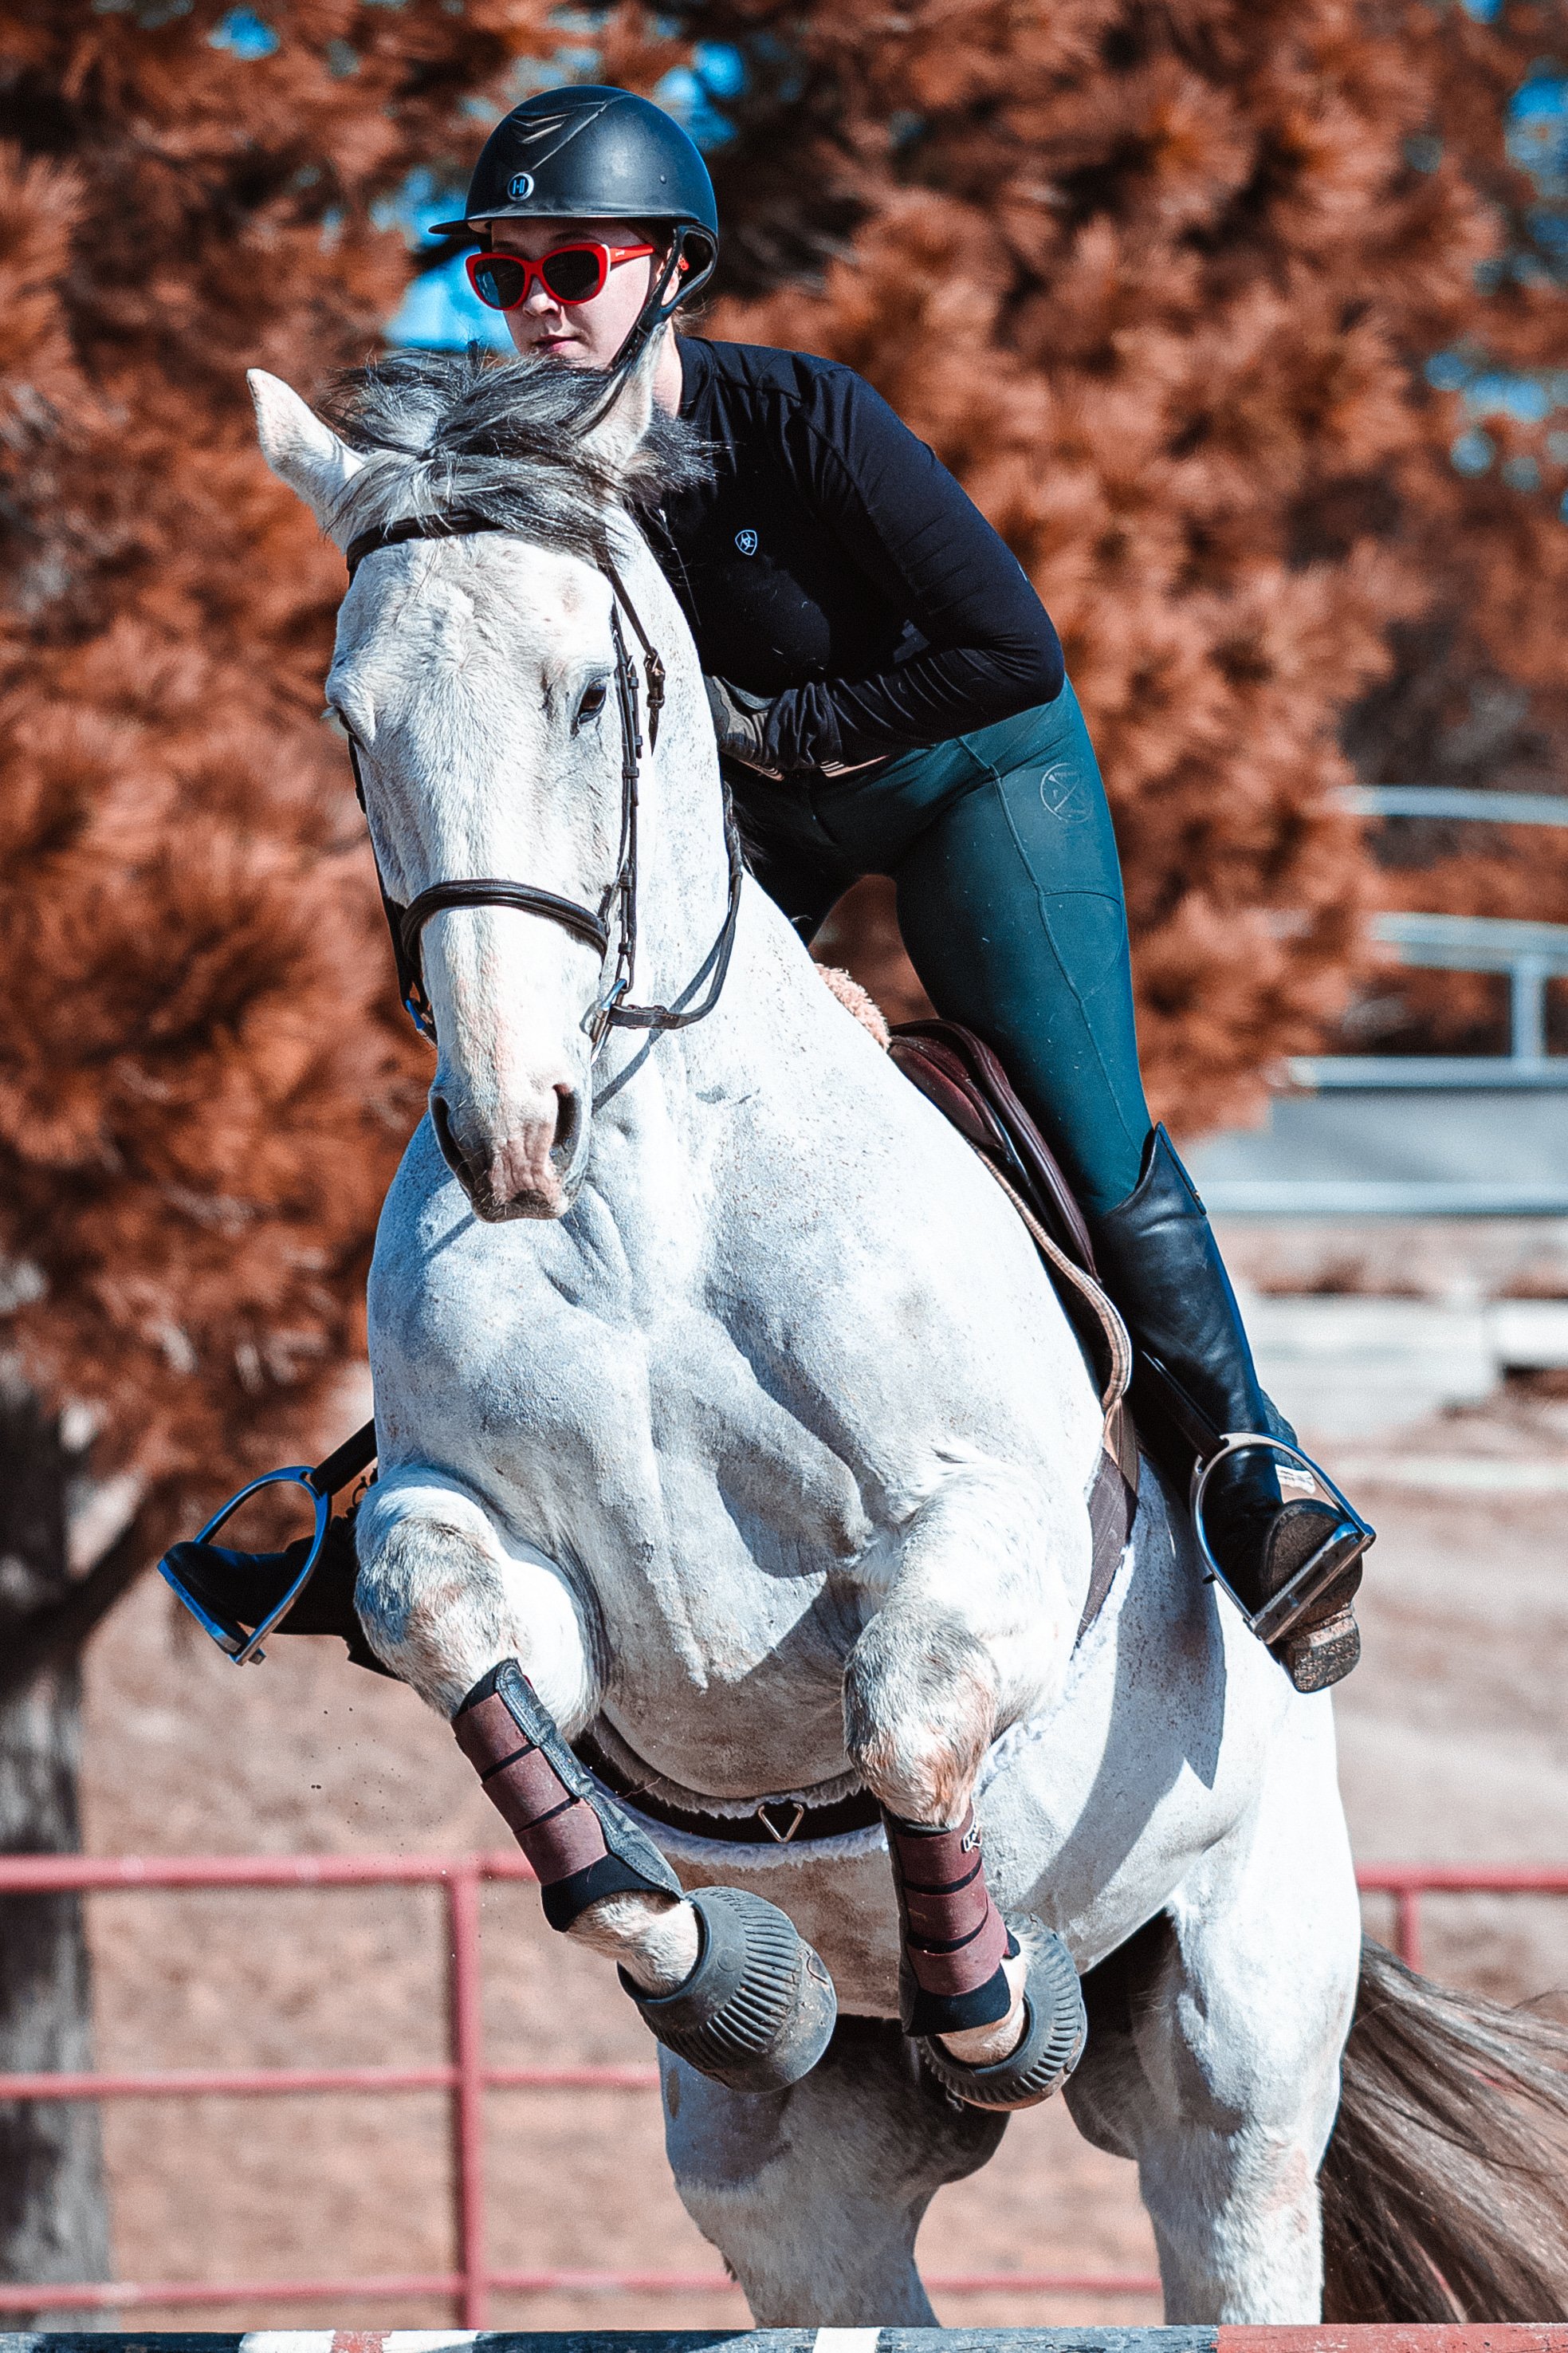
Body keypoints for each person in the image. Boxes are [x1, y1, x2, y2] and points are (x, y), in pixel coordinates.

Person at [179, 85, 1367, 1698]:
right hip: (761, 820)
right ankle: (378, 1485)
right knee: (560, 1070)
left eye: (573, 265)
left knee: (1083, 1116)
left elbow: (1008, 653)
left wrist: (781, 731)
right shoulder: (516, 469)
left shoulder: (809, 421)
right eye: (499, 275)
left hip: (968, 778)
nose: (534, 305)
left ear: (671, 269)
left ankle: (1251, 1472)